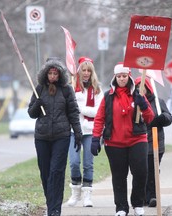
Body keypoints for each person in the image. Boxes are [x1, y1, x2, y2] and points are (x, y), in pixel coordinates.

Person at [91, 63, 155, 216]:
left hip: (137, 139)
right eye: (118, 76)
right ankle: (121, 207)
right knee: (119, 176)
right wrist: (95, 138)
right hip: (114, 143)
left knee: (141, 172)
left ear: (129, 76)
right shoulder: (108, 96)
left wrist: (144, 106)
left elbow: (150, 118)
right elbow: (99, 118)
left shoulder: (138, 95)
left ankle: (138, 203)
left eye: (124, 76)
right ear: (115, 77)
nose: (121, 79)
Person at [28, 57, 82, 216]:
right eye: (50, 73)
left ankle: (55, 210)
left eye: (55, 73)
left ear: (60, 74)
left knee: (56, 172)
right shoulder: (39, 89)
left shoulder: (66, 90)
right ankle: (50, 203)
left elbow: (73, 112)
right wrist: (37, 104)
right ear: (45, 73)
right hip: (42, 137)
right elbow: (31, 114)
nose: (52, 76)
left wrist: (77, 132)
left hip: (61, 136)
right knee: (45, 173)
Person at [67, 56, 103, 207]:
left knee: (88, 163)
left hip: (90, 131)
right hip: (73, 130)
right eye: (83, 69)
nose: (86, 73)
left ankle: (87, 194)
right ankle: (75, 192)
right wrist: (75, 111)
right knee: (74, 162)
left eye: (89, 70)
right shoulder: (71, 87)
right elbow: (67, 109)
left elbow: (98, 111)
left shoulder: (97, 89)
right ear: (79, 71)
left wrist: (80, 109)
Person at [134, 76, 172, 207]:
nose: (141, 89)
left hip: (155, 142)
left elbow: (169, 117)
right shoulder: (134, 102)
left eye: (143, 86)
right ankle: (142, 196)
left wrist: (162, 118)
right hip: (140, 141)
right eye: (138, 86)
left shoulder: (157, 101)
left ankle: (153, 196)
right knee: (141, 170)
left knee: (152, 169)